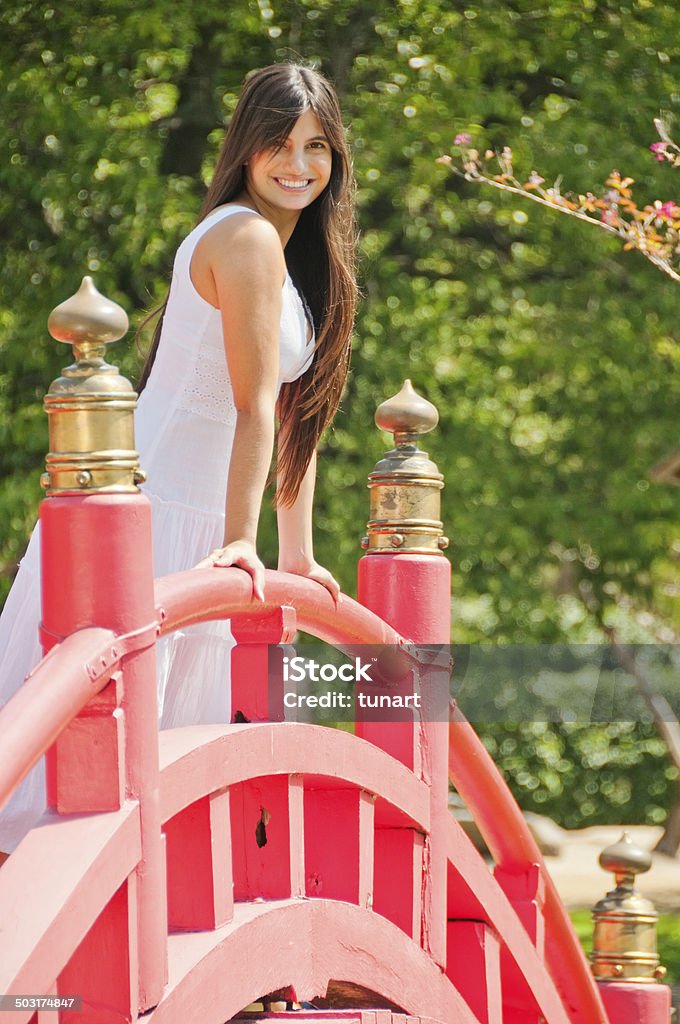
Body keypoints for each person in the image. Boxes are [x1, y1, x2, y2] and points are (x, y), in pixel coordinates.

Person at [0, 62, 357, 861]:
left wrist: (295, 549)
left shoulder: (288, 256)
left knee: (161, 759)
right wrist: (239, 540)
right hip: (161, 519)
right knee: (97, 766)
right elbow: (253, 402)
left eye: (317, 147)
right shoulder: (246, 235)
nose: (298, 164)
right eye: (279, 143)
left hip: (193, 516)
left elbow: (297, 409)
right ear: (245, 149)